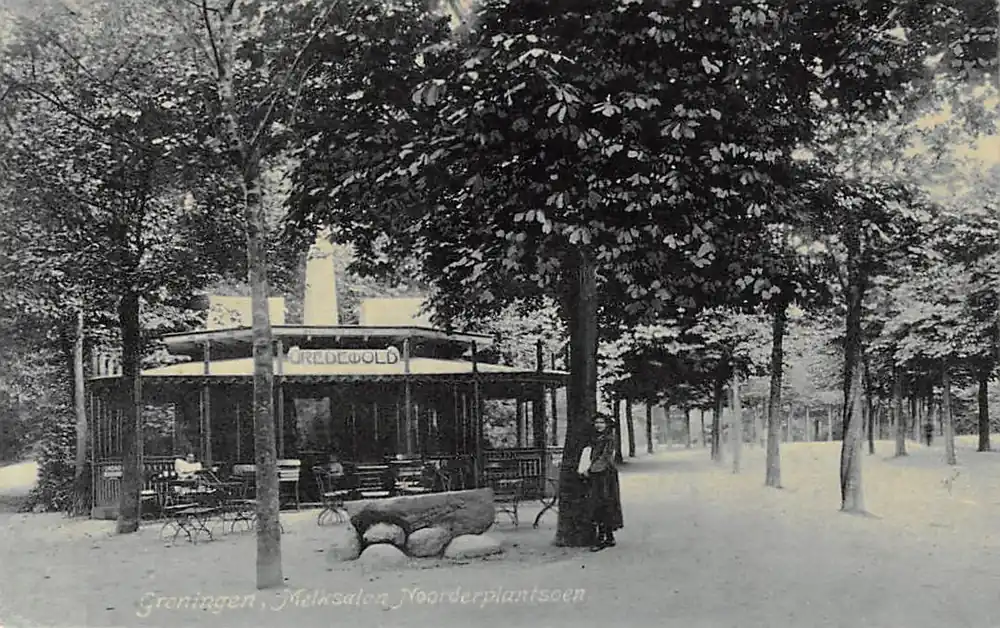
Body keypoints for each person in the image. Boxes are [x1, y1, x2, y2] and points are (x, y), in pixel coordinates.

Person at [579, 413, 624, 551]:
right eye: (597, 422)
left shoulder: (609, 439)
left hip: (605, 475)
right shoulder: (594, 439)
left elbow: (606, 457)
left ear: (607, 425)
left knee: (605, 503)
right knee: (597, 504)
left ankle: (603, 537)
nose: (599, 425)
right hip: (596, 475)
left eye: (602, 422)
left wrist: (591, 469)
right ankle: (607, 537)